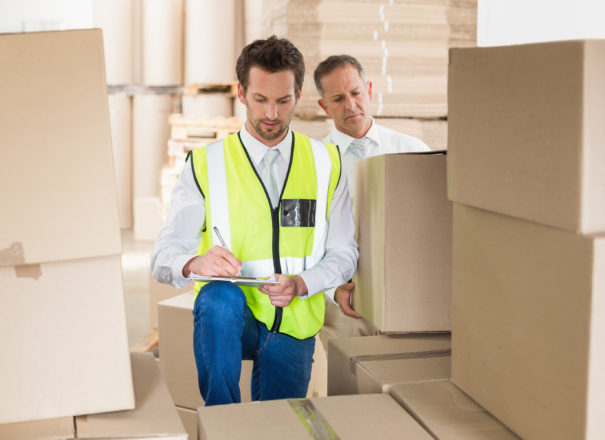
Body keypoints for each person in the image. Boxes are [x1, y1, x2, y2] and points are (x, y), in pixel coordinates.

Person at [151, 36, 357, 405]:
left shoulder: (328, 162)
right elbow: (163, 256)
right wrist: (195, 262)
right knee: (218, 298)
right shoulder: (205, 164)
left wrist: (302, 283)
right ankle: (222, 420)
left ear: (298, 94)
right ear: (242, 93)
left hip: (294, 322)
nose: (272, 115)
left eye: (283, 101)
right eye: (261, 100)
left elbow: (344, 253)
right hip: (233, 319)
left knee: (278, 428)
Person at [313, 54, 429, 326]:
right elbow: (303, 242)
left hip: (410, 294)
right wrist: (332, 291)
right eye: (338, 99)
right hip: (344, 300)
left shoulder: (413, 151)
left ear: (370, 90)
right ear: (324, 106)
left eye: (355, 93)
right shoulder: (315, 166)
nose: (351, 105)